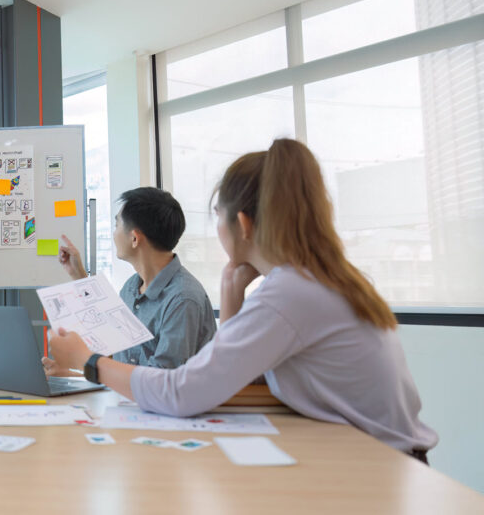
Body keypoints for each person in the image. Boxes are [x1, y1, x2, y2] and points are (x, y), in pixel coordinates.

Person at [49, 139, 438, 462]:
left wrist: (88, 362)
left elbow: (184, 389)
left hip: (379, 464)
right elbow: (234, 374)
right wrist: (231, 293)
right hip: (382, 455)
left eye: (217, 216)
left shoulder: (289, 293)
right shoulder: (311, 278)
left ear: (244, 224)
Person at [44, 187, 216, 375]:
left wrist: (81, 361)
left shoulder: (182, 299)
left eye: (116, 225)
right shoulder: (131, 288)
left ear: (134, 238)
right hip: (126, 394)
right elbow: (115, 357)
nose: (113, 233)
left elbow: (160, 382)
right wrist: (70, 375)